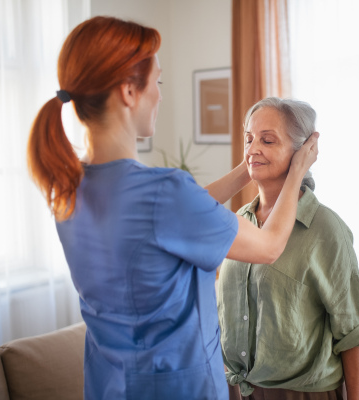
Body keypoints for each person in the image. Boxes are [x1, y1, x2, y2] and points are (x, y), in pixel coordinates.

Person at [26, 17, 318, 400]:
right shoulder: (163, 193)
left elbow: (176, 212)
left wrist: (244, 171)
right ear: (130, 91)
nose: (160, 96)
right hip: (179, 387)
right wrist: (296, 169)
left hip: (107, 385)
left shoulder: (67, 187)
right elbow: (269, 246)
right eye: (157, 82)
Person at [217, 97, 359, 400]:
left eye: (268, 140)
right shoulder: (238, 223)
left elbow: (351, 333)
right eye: (248, 139)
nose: (252, 149)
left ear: (302, 152)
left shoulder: (326, 229)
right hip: (236, 390)